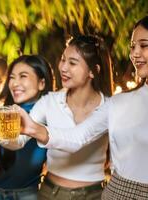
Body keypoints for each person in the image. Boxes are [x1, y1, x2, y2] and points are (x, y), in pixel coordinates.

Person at [19, 16, 148, 200]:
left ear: (92, 71)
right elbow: (77, 138)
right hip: (117, 193)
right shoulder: (120, 102)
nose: (135, 53)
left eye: (144, 45)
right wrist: (30, 128)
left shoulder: (108, 102)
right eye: (132, 46)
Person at [3, 35, 113, 200]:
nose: (63, 67)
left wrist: (33, 128)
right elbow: (18, 141)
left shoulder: (110, 107)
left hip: (93, 195)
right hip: (50, 193)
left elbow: (77, 140)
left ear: (93, 71)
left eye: (72, 63)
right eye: (63, 59)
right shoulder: (49, 101)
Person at [0, 55, 54, 200]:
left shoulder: (52, 119)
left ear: (42, 83)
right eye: (12, 77)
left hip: (28, 195)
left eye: (23, 76)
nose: (14, 83)